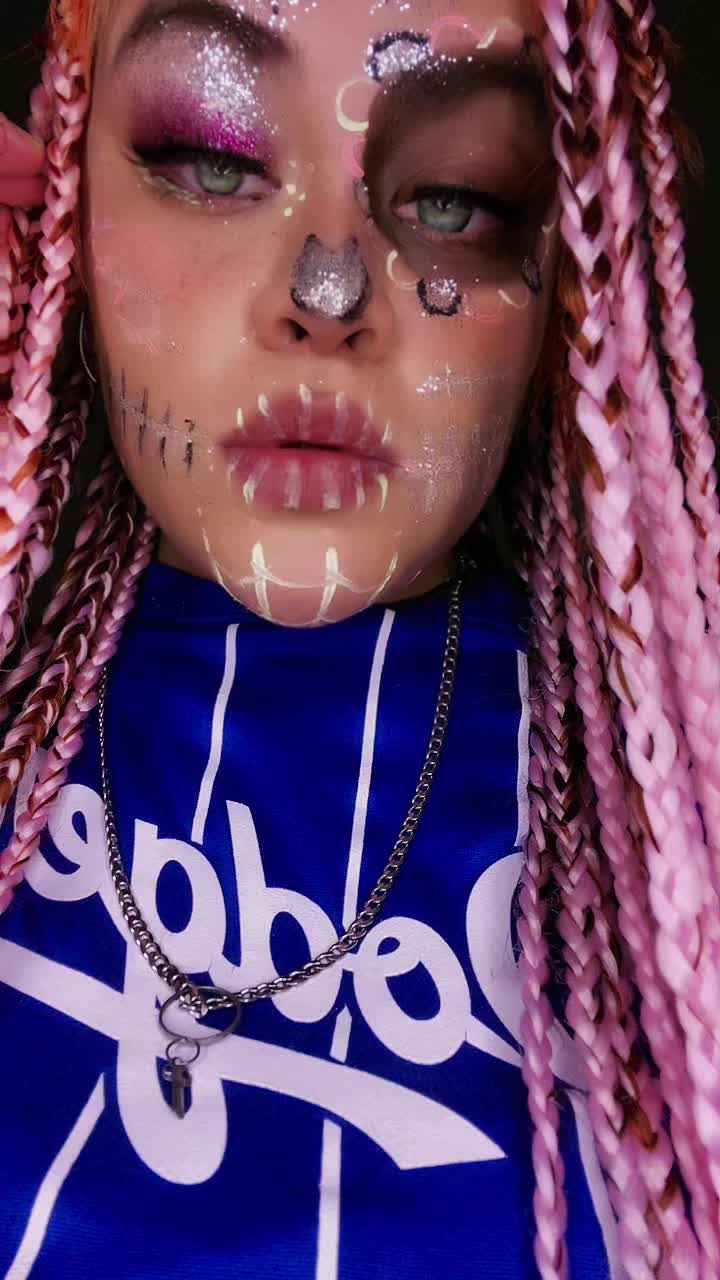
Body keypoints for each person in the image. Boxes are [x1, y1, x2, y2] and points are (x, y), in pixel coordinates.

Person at [0, 0, 717, 1275]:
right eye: (208, 156)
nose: (327, 292)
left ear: (570, 270)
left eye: (454, 196)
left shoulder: (677, 831)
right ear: (65, 186)